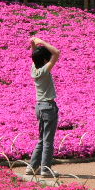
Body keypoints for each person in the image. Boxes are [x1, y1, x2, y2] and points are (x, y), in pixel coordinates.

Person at [26, 37, 60, 177]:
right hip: (48, 107)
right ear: (45, 61)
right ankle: (45, 169)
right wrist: (42, 42)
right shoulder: (45, 71)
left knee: (41, 139)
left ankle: (32, 167)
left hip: (39, 107)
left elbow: (35, 58)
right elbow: (56, 53)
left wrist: (34, 46)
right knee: (48, 141)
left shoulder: (35, 69)